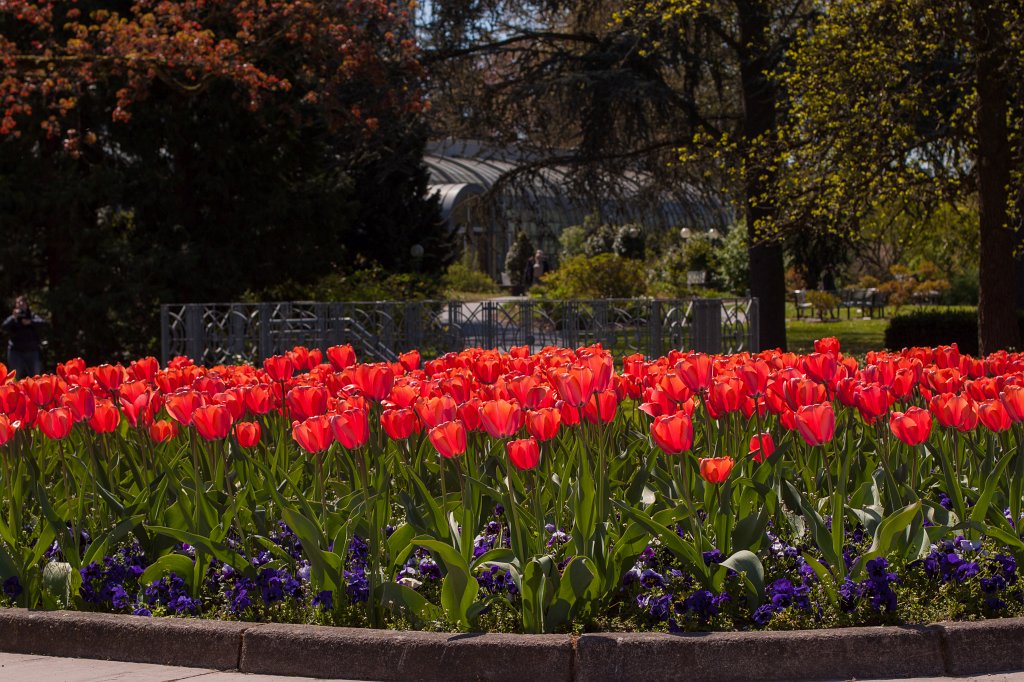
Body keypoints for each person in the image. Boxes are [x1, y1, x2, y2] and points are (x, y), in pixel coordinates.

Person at [2, 295, 46, 379]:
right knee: (14, 378)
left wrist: (30, 322)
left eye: (23, 303)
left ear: (26, 305)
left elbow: (43, 323)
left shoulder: (32, 316)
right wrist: (13, 318)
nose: (21, 305)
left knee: (35, 378)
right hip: (15, 352)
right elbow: (4, 327)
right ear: (16, 305)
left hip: (32, 352)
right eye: (18, 303)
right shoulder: (13, 317)